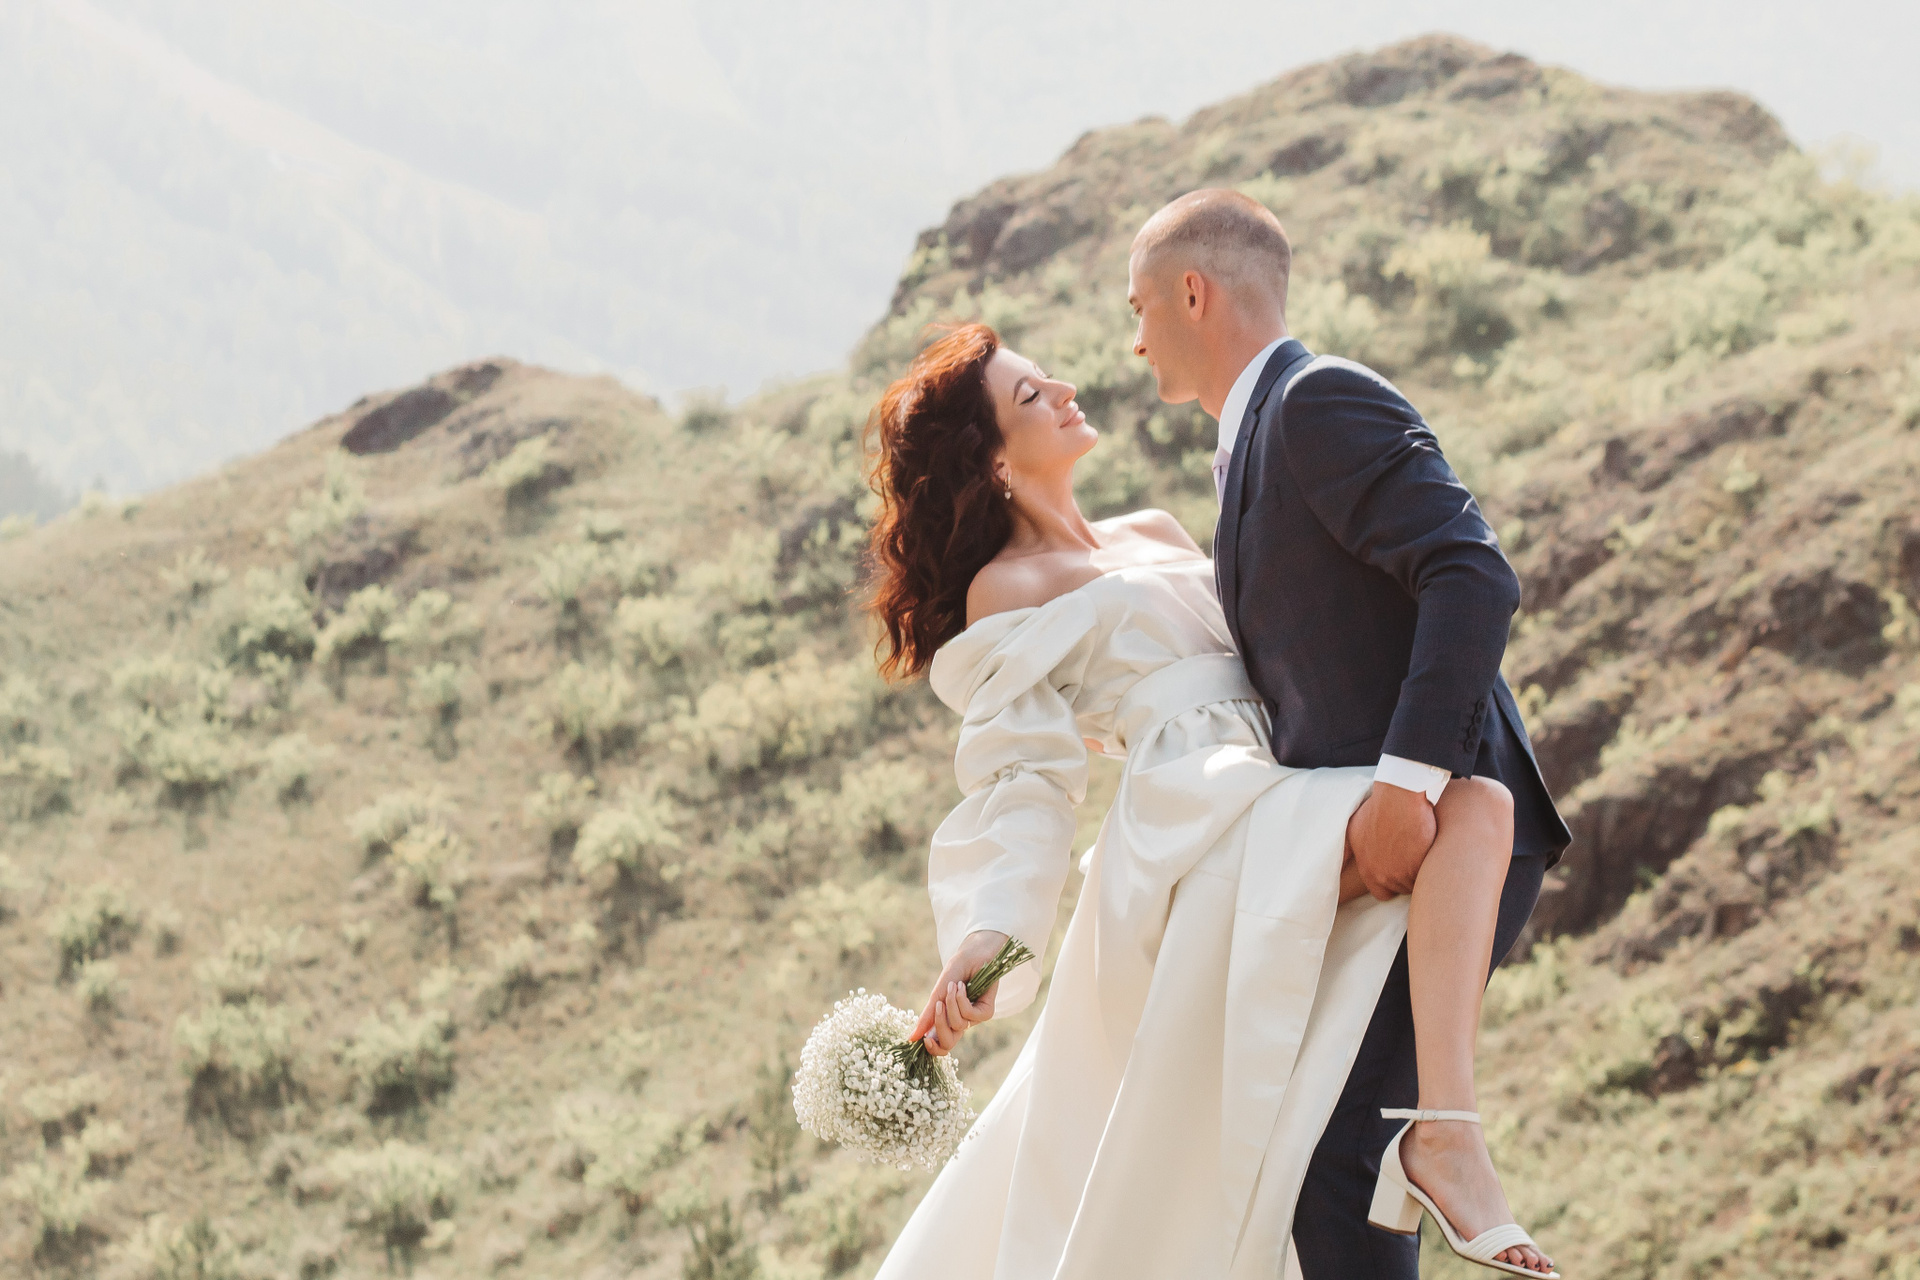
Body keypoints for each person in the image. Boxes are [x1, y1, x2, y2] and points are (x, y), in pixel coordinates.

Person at [862, 319, 1554, 1278]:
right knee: (1469, 810)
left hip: (1275, 774)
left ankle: (1442, 1128)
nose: (1063, 390)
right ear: (994, 465)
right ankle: (1446, 1141)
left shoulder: (1154, 527)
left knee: (1474, 806)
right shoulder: (1007, 589)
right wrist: (992, 933)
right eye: (1030, 395)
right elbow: (1024, 776)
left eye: (1047, 375)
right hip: (1189, 823)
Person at [1127, 188, 1573, 1276]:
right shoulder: (1248, 444)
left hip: (1445, 831)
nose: (1134, 341)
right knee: (1323, 1154)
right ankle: (1438, 1144)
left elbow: (1473, 574)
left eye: (1139, 308)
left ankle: (1445, 1142)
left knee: (1341, 1155)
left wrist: (1406, 788)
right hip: (1361, 850)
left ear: (1194, 292)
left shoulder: (1317, 399)